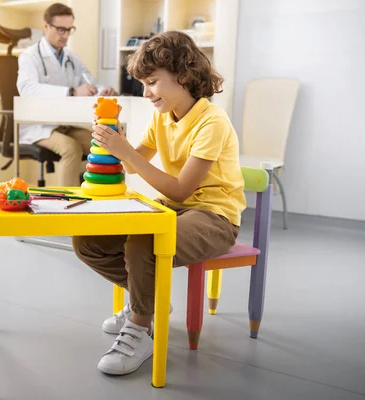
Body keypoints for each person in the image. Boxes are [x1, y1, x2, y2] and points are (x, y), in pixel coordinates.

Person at [72, 31, 246, 376]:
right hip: (174, 208)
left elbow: (181, 189)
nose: (146, 93)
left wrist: (124, 152)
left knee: (145, 240)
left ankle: (140, 325)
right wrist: (111, 138)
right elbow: (131, 161)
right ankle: (147, 299)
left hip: (215, 216)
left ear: (183, 76)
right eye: (143, 84)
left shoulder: (213, 122)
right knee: (87, 240)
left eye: (152, 82)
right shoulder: (162, 118)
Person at [16, 3, 116, 187]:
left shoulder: (70, 57)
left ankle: (100, 199)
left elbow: (89, 82)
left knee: (105, 143)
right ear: (46, 26)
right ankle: (67, 205)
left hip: (65, 124)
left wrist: (103, 90)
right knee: (71, 149)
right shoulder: (29, 56)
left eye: (70, 30)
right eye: (61, 30)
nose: (66, 36)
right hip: (39, 126)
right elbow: (27, 89)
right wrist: (70, 92)